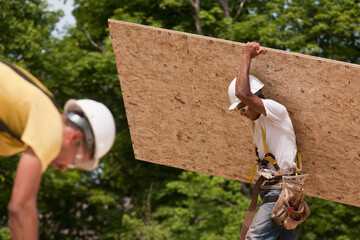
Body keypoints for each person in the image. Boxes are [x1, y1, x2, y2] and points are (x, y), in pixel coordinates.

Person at [0, 59, 116, 240]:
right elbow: (21, 208)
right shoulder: (51, 129)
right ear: (74, 137)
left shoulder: (33, 120)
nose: (64, 168)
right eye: (75, 161)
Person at [228, 42, 298, 239]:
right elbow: (244, 97)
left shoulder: (275, 112)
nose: (241, 114)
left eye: (243, 108)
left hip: (281, 191)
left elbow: (243, 93)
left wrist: (247, 56)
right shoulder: (256, 122)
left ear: (255, 100)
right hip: (272, 190)